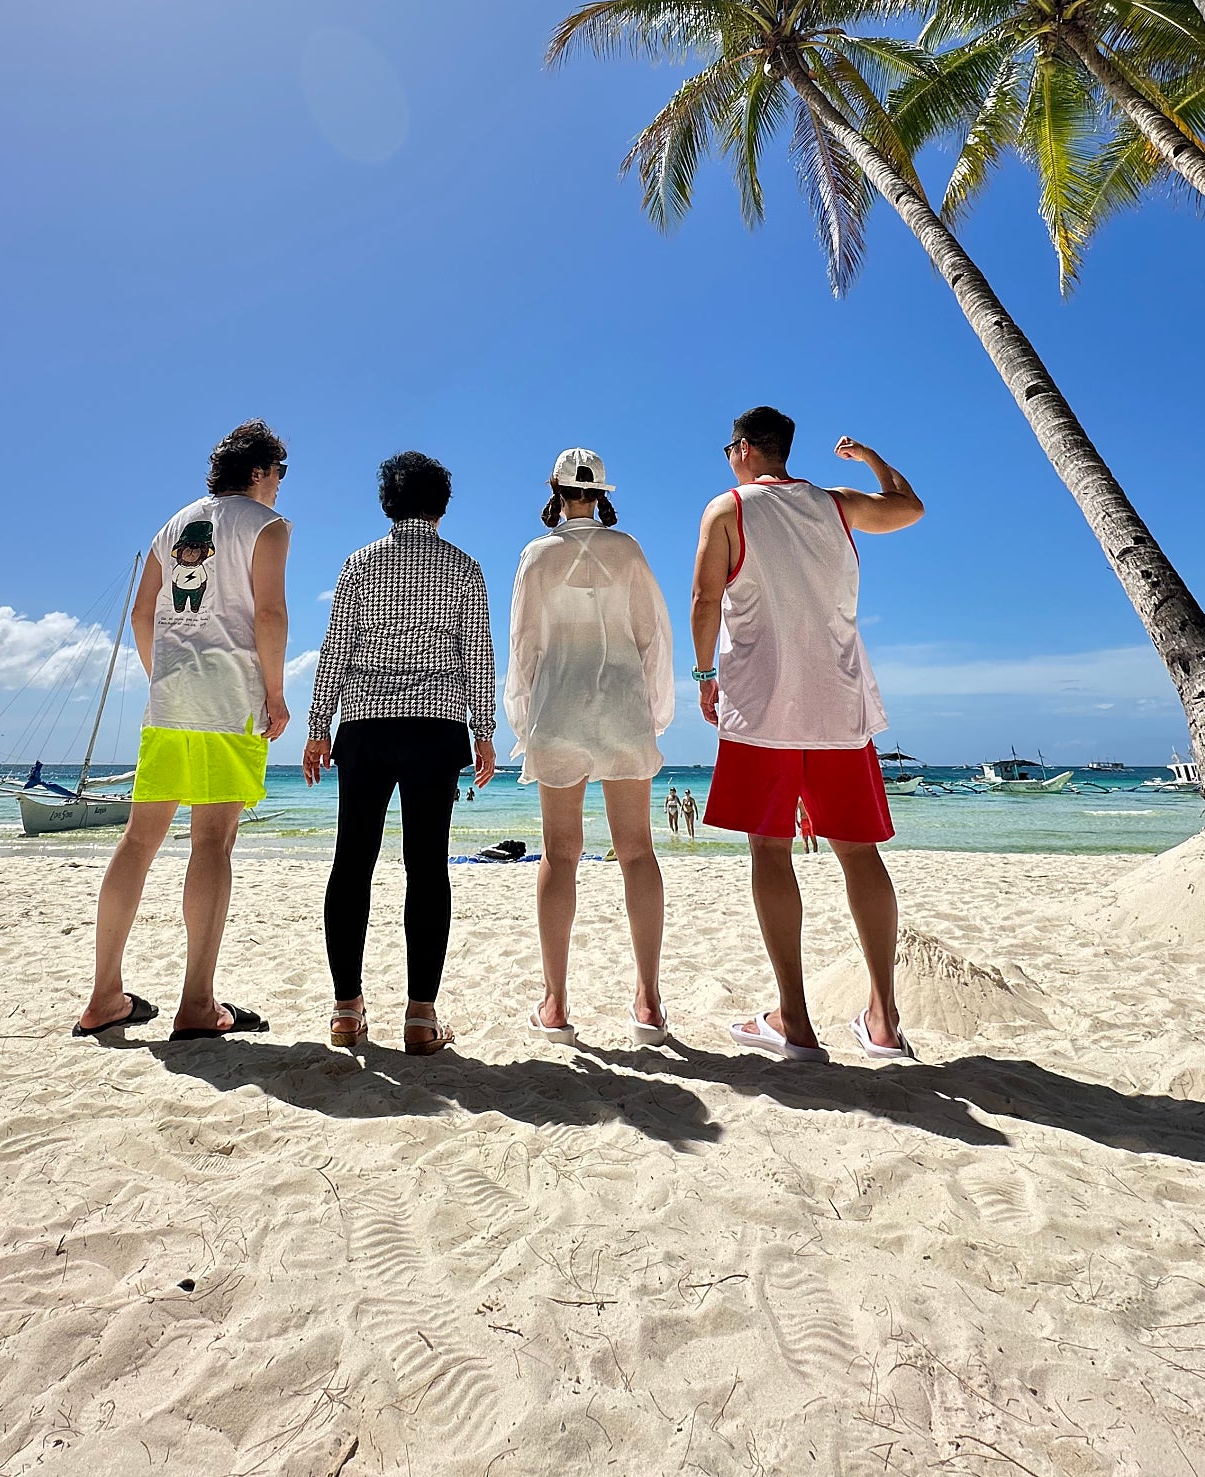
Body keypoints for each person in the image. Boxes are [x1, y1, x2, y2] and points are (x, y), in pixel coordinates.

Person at [690, 406, 924, 1063]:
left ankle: (794, 1019)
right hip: (837, 705)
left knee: (770, 850)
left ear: (743, 449)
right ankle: (883, 1019)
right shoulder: (836, 503)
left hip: (761, 707)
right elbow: (909, 507)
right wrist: (870, 457)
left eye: (728, 449)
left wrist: (704, 675)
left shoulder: (728, 508)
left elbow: (705, 599)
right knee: (859, 853)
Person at [73, 420, 291, 1042]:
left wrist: (164, 675)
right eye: (279, 472)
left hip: (170, 700)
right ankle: (197, 1003)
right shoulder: (267, 525)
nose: (280, 484)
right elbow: (270, 613)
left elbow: (142, 613)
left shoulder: (171, 526)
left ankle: (104, 996)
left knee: (139, 841)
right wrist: (276, 694)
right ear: (259, 471)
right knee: (212, 843)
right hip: (230, 699)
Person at [304, 452, 495, 1055]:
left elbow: (336, 650)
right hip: (436, 728)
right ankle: (419, 1017)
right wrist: (484, 730)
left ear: (387, 502)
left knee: (351, 862)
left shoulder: (360, 563)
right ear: (441, 505)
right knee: (427, 867)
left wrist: (317, 728)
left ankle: (346, 1009)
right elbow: (477, 656)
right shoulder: (463, 567)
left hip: (364, 725)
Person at [505, 449, 674, 1047]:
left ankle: (554, 1005)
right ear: (602, 494)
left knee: (560, 853)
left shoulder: (536, 554)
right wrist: (656, 714)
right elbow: (653, 636)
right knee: (637, 851)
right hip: (624, 709)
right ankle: (648, 1002)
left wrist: (523, 723)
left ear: (555, 490)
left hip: (559, 712)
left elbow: (524, 646)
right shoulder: (627, 549)